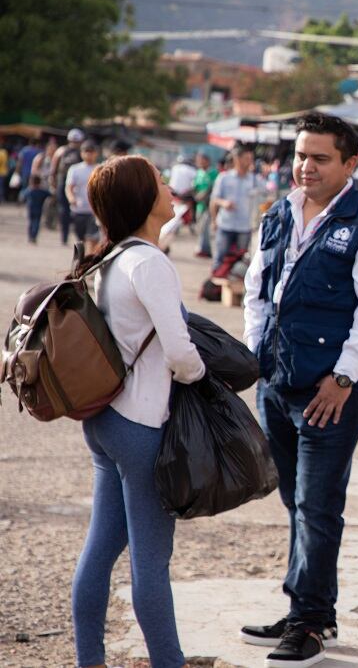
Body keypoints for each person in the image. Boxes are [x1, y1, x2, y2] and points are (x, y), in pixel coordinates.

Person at [240, 112, 358, 668]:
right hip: (278, 381)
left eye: (320, 158)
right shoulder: (279, 213)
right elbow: (256, 289)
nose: (305, 167)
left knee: (317, 504)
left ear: (350, 163)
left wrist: (343, 378)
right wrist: (256, 356)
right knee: (295, 500)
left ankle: (309, 622)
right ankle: (310, 609)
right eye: (300, 156)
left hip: (333, 387)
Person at [71, 155, 205, 668]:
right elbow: (178, 351)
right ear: (145, 201)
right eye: (161, 181)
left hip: (103, 418)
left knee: (101, 547)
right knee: (152, 563)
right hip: (141, 424)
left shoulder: (110, 257)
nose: (171, 186)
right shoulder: (149, 262)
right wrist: (201, 378)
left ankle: (91, 660)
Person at [210, 144, 259, 270]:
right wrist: (216, 216)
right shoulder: (224, 178)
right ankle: (214, 287)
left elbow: (267, 194)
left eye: (251, 159)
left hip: (244, 227)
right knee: (219, 259)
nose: (249, 162)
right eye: (247, 159)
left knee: (240, 261)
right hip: (225, 224)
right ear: (237, 159)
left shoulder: (254, 180)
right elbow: (214, 200)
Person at [66, 140, 102, 251]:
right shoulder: (75, 169)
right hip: (79, 210)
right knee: (80, 240)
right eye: (86, 151)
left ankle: (90, 262)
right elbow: (69, 187)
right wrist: (71, 198)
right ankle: (81, 262)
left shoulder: (100, 169)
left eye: (91, 152)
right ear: (81, 153)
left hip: (94, 211)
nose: (89, 154)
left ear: (96, 153)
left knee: (93, 239)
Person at [53, 129, 87, 244]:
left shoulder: (61, 151)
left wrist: (53, 184)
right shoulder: (81, 152)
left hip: (63, 183)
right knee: (76, 211)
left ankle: (65, 236)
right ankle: (78, 236)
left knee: (64, 211)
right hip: (75, 184)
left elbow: (54, 169)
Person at [192, 152, 217, 258]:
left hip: (209, 205)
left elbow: (214, 188)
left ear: (207, 161)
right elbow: (194, 187)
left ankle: (205, 249)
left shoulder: (214, 173)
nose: (200, 162)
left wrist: (205, 195)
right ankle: (202, 247)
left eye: (202, 160)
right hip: (199, 205)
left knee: (206, 226)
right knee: (200, 227)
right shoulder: (199, 173)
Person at [24, 175, 50, 244]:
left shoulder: (29, 190)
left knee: (30, 223)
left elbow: (23, 196)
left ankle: (30, 236)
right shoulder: (41, 191)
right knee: (36, 224)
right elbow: (49, 194)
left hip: (30, 209)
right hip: (39, 209)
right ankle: (34, 236)